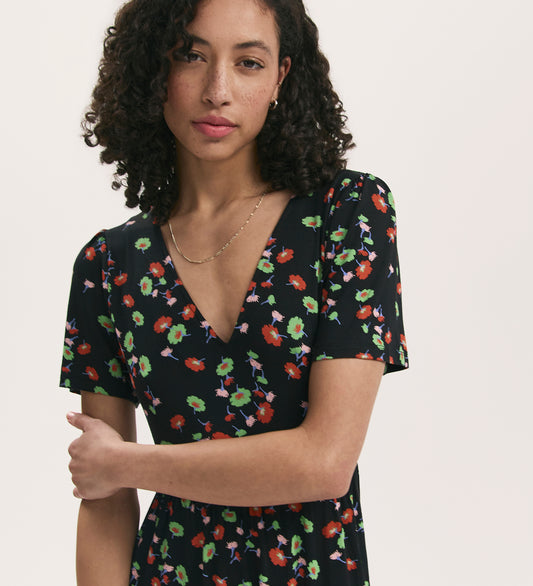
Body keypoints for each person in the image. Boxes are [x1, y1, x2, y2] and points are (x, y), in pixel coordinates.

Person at [60, 0, 409, 584]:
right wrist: (113, 472)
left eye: (248, 62)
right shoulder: (108, 263)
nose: (216, 91)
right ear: (154, 68)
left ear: (281, 78)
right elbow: (104, 502)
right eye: (191, 55)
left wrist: (125, 463)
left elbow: (324, 462)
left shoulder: (348, 214)